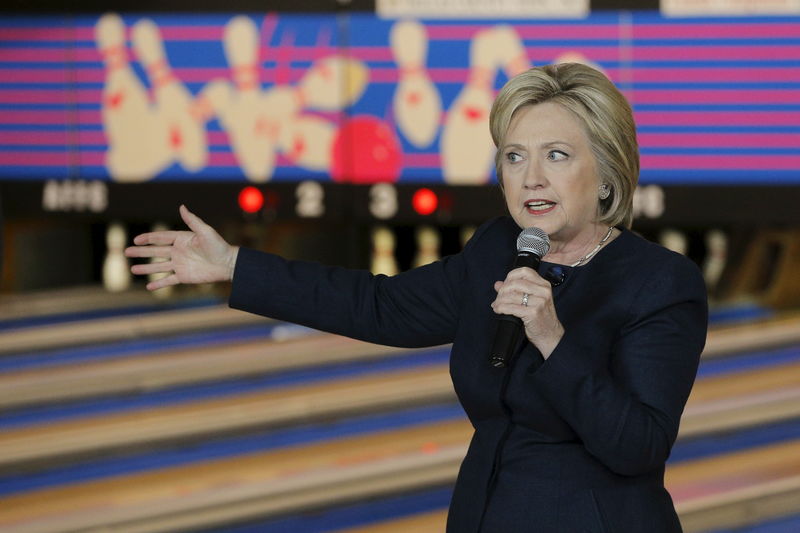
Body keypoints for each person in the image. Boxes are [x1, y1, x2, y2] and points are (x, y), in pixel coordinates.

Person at [126, 63, 707, 532]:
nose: (532, 177)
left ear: (607, 175)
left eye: (556, 155)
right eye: (514, 156)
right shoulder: (496, 249)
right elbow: (380, 306)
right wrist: (233, 264)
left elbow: (639, 446)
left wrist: (552, 338)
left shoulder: (658, 282)